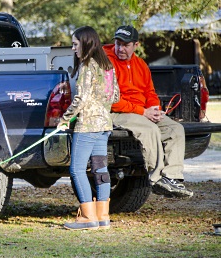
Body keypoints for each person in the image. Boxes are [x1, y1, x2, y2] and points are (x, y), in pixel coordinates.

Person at [102, 25, 193, 198]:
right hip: (117, 111)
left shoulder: (140, 64)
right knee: (149, 129)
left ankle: (171, 178)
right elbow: (111, 101)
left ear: (136, 45)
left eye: (125, 45)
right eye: (117, 43)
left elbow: (150, 92)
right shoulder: (106, 62)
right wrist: (143, 113)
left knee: (175, 129)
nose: (120, 48)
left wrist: (155, 109)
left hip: (140, 111)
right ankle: (156, 178)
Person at [57, 26, 119, 230]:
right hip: (104, 124)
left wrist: (65, 118)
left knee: (76, 169)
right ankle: (103, 217)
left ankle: (87, 217)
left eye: (75, 44)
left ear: (86, 43)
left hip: (88, 126)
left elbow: (81, 98)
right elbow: (115, 96)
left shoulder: (87, 65)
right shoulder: (108, 65)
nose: (73, 48)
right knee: (100, 168)